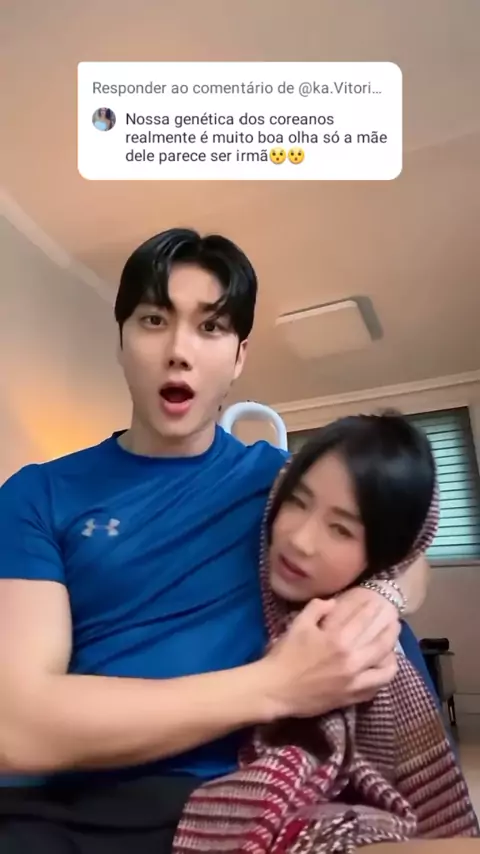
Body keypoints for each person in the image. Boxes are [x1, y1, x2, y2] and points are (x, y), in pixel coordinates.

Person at [0, 229, 430, 853]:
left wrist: (383, 594)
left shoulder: (285, 488)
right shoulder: (38, 494)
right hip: (68, 803)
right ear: (121, 340)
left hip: (243, 796)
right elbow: (16, 727)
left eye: (210, 327)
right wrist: (277, 684)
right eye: (154, 320)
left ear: (238, 356)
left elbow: (408, 535)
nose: (179, 351)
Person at [174, 414, 477, 852]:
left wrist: (383, 592)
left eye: (340, 529)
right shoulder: (234, 569)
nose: (301, 540)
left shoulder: (377, 654)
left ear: (382, 554)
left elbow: (417, 558)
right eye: (297, 502)